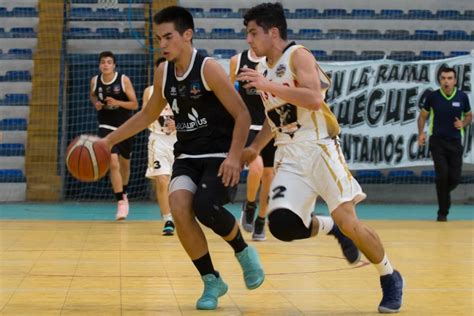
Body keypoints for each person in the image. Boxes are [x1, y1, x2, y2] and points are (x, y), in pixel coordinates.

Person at [238, 3, 404, 313]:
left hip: (319, 148)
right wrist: (255, 147)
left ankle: (389, 275)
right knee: (282, 225)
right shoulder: (264, 71)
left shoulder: (299, 55)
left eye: (253, 33)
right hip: (289, 154)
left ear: (273, 32)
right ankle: (331, 228)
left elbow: (314, 99)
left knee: (350, 222)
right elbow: (277, 118)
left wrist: (267, 85)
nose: (248, 40)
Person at [100, 6, 265, 310]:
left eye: (168, 37)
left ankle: (243, 252)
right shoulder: (163, 72)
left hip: (219, 154)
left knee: (203, 206)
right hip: (187, 154)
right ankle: (211, 280)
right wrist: (109, 139)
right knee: (178, 207)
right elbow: (146, 114)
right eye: (158, 38)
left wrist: (233, 156)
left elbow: (242, 114)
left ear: (187, 35)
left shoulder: (209, 69)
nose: (162, 44)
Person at [229, 49, 275, 241]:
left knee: (269, 176)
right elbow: (227, 92)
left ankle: (261, 220)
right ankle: (249, 205)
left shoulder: (274, 61)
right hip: (248, 124)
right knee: (255, 167)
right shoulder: (237, 60)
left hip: (270, 125)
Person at [418, 66, 472, 222]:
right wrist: (421, 133)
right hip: (437, 142)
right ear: (440, 80)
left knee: (454, 178)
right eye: (443, 78)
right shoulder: (433, 97)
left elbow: (469, 115)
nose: (446, 81)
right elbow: (422, 117)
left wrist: (463, 123)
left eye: (449, 78)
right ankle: (443, 213)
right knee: (442, 175)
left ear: (455, 80)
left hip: (455, 142)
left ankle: (442, 193)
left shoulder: (462, 97)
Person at [89, 51, 138, 221]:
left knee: (124, 163)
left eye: (109, 62)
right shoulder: (95, 81)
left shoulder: (123, 80)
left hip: (124, 127)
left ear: (114, 65)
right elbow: (93, 94)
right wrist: (95, 103)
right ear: (99, 65)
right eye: (103, 62)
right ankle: (120, 202)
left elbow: (135, 104)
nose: (106, 65)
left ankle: (124, 192)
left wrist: (117, 103)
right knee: (113, 162)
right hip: (105, 127)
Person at [143, 57, 177, 235]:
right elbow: (144, 116)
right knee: (162, 180)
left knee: (177, 183)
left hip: (180, 140)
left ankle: (181, 215)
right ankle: (168, 219)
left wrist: (177, 124)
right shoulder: (149, 91)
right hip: (158, 138)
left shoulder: (181, 88)